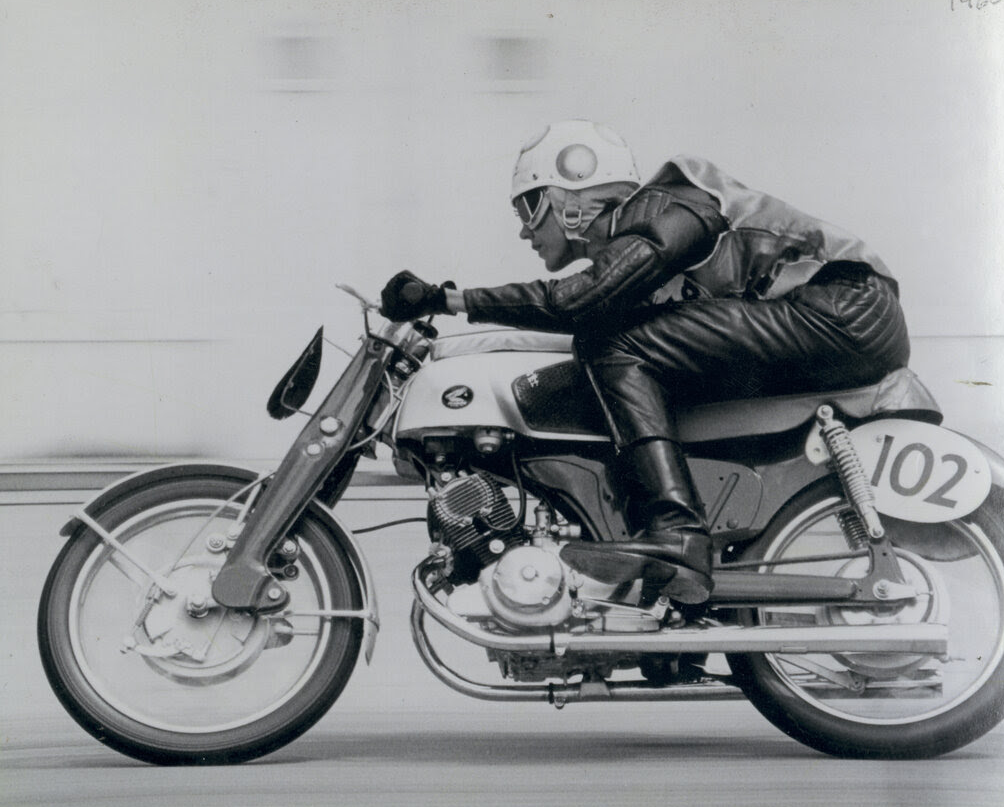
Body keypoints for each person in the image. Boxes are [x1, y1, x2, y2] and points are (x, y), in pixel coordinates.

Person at [379, 119, 910, 605]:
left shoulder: (671, 206)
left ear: (569, 195)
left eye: (527, 209)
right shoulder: (634, 247)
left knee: (612, 344)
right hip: (826, 321)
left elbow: (574, 300)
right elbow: (584, 304)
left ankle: (677, 532)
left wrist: (444, 299)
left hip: (843, 307)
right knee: (607, 346)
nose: (524, 231)